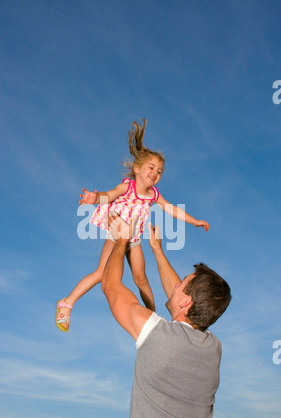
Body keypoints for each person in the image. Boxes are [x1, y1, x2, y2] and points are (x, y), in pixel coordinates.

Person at [55, 118, 209, 332]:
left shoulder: (153, 194)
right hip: (117, 235)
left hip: (134, 240)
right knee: (101, 273)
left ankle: (154, 319)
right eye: (151, 167)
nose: (155, 173)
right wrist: (94, 198)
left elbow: (171, 208)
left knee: (141, 278)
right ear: (137, 169)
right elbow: (108, 195)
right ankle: (67, 303)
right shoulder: (126, 187)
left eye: (160, 171)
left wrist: (195, 221)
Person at [101, 214, 231, 418]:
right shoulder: (213, 348)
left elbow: (110, 286)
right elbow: (183, 301)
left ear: (186, 302)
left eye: (182, 281)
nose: (176, 284)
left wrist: (120, 240)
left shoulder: (158, 337)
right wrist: (157, 251)